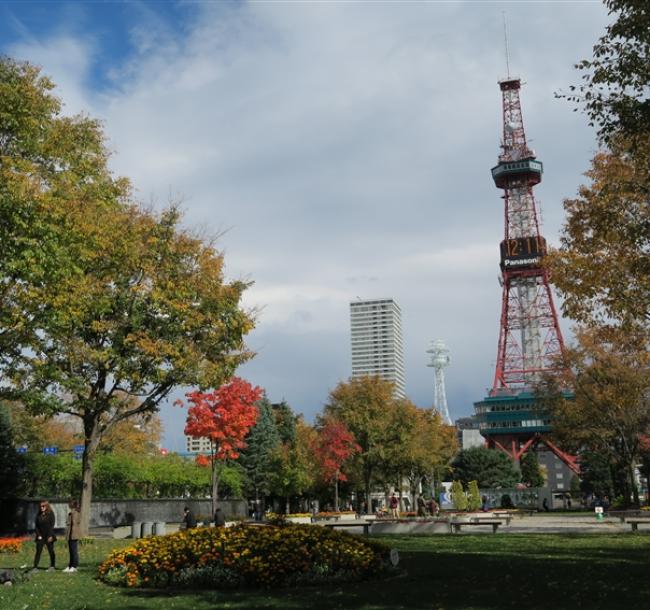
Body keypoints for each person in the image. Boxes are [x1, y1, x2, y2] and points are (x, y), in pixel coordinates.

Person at [33, 500, 56, 572]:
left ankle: (52, 566)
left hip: (49, 535)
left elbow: (52, 525)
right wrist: (38, 535)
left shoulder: (51, 514)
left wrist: (50, 536)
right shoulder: (38, 514)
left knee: (51, 551)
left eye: (43, 506)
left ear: (47, 506)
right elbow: (36, 526)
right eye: (40, 506)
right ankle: (35, 567)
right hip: (40, 536)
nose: (41, 507)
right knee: (38, 551)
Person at [63, 499, 86, 573]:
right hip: (70, 534)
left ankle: (74, 566)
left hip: (74, 535)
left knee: (74, 551)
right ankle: (70, 565)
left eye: (70, 503)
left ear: (73, 505)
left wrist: (72, 535)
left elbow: (74, 525)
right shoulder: (71, 513)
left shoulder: (75, 513)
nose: (68, 505)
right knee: (71, 551)